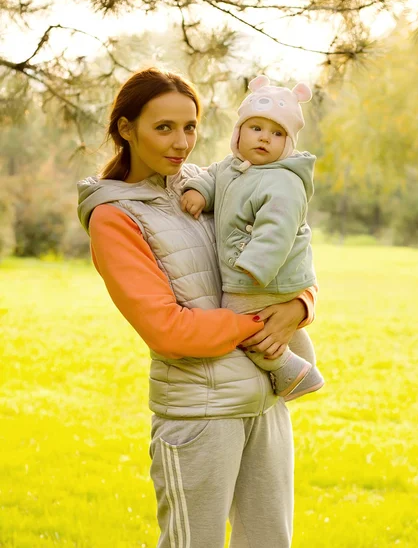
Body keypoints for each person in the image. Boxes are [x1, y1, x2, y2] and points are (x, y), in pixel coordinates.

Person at [77, 67, 318, 548]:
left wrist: (299, 306)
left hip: (263, 402)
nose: (181, 142)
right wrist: (260, 324)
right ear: (126, 129)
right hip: (200, 414)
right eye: (163, 127)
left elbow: (287, 250)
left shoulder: (209, 184)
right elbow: (169, 330)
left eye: (190, 127)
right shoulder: (114, 216)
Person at [181, 75, 324, 400]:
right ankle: (306, 363)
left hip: (263, 277)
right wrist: (199, 192)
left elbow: (278, 230)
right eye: (256, 128)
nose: (264, 139)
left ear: (288, 143)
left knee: (244, 327)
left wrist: (256, 266)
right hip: (262, 278)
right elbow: (212, 178)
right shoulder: (232, 168)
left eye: (277, 133)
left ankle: (289, 369)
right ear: (239, 132)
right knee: (276, 325)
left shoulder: (283, 181)